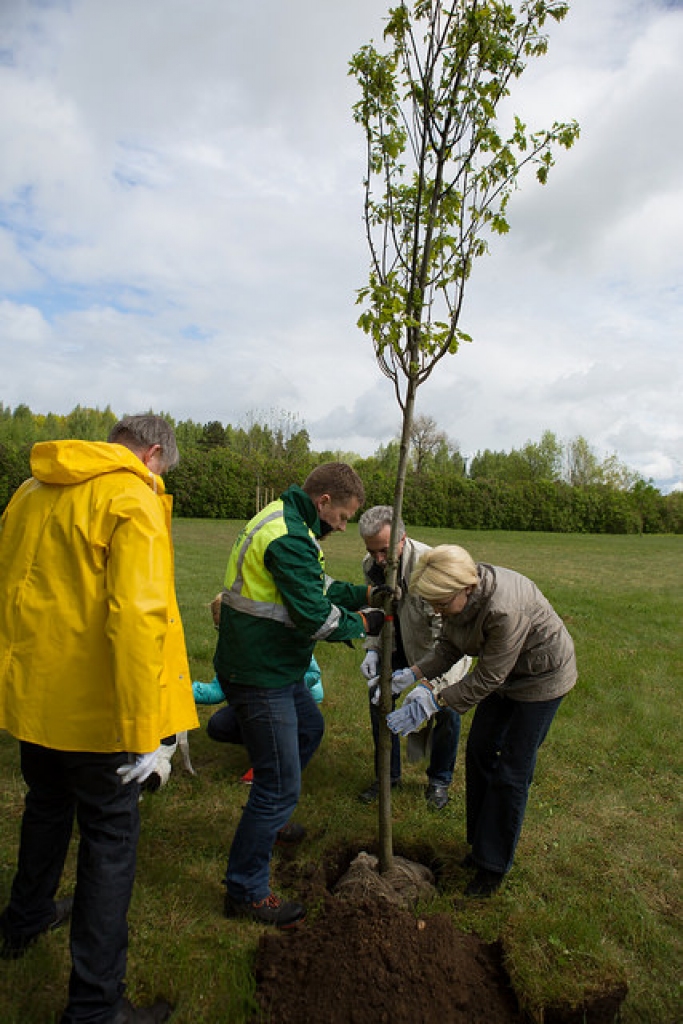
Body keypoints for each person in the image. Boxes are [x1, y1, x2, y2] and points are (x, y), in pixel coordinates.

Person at [0, 415, 199, 1024]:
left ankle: (25, 918)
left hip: (36, 704)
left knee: (46, 807)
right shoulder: (130, 496)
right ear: (154, 452)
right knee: (110, 842)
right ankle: (94, 1005)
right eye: (162, 469)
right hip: (101, 714)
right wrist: (147, 732)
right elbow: (139, 617)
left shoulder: (30, 491)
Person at [214, 462, 386, 928]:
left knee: (310, 727)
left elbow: (315, 584)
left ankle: (268, 819)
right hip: (260, 673)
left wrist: (364, 591)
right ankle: (246, 891)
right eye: (344, 517)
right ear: (324, 501)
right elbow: (316, 616)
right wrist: (367, 621)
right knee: (278, 784)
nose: (344, 526)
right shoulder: (289, 535)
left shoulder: (289, 523)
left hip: (272, 667)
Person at [386, 544, 577, 897]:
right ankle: (479, 844)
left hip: (540, 680)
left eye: (441, 604)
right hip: (505, 676)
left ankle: (493, 865)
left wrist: (435, 700)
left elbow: (488, 678)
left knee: (513, 772)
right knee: (479, 751)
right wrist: (412, 673)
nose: (436, 611)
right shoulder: (455, 599)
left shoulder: (504, 609)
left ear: (466, 589)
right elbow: (449, 646)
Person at [357, 507, 471, 810]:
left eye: (384, 551)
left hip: (436, 649)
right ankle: (387, 777)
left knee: (447, 708)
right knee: (377, 700)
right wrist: (372, 647)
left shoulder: (432, 567)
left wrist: (430, 685)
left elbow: (449, 637)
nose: (379, 559)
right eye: (372, 551)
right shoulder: (370, 566)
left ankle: (439, 780)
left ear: (401, 538)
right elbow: (379, 610)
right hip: (396, 646)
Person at [196, 655, 324, 786]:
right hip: (258, 696)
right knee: (219, 724)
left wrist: (276, 685)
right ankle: (266, 748)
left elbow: (313, 673)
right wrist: (182, 691)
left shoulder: (289, 641)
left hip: (291, 696)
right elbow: (217, 690)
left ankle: (276, 770)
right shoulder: (240, 647)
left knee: (310, 728)